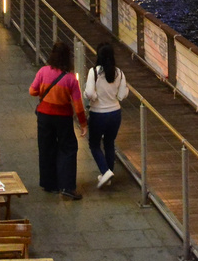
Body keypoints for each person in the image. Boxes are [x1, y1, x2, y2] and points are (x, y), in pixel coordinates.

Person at [29, 39, 87, 199]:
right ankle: (67, 187)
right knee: (68, 149)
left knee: (46, 148)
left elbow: (32, 91)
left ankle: (49, 184)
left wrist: (43, 93)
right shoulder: (70, 79)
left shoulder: (43, 72)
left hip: (44, 116)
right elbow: (78, 105)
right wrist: (83, 124)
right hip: (63, 118)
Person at [82, 42, 128, 189]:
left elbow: (89, 93)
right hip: (115, 113)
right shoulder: (119, 72)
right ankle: (108, 175)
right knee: (109, 143)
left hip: (98, 114)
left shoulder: (93, 72)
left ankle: (105, 171)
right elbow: (121, 95)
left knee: (94, 144)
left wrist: (93, 97)